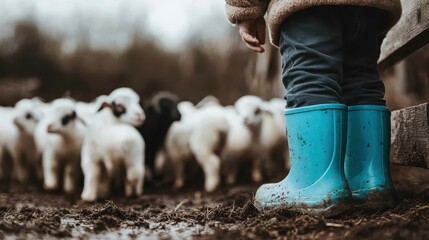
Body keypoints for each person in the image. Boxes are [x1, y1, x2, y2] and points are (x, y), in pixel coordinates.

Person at [224, 0, 402, 216]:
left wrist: (245, 10)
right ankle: (369, 182)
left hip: (306, 5)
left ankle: (314, 183)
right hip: (370, 7)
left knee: (312, 76)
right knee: (361, 79)